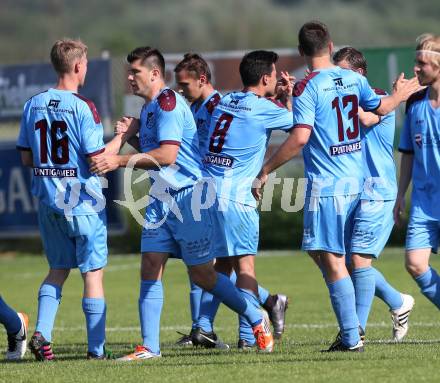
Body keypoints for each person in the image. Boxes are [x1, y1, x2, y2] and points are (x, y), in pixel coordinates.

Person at [90, 46, 273, 360]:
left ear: (155, 73)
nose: (130, 78)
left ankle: (256, 316)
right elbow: (155, 151)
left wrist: (118, 161)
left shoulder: (169, 104)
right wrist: (132, 135)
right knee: (149, 266)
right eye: (129, 72)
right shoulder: (149, 109)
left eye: (135, 72)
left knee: (203, 275)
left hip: (189, 199)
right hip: (161, 199)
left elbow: (168, 156)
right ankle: (150, 347)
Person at [253, 21, 420, 352]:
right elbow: (378, 108)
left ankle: (350, 336)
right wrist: (399, 95)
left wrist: (265, 170)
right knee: (328, 255)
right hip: (355, 182)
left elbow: (300, 137)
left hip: (328, 185)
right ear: (330, 46)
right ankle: (364, 324)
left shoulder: (309, 86)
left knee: (333, 260)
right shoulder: (354, 80)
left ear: (301, 52)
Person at [173, 53, 289, 347]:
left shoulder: (225, 100)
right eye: (274, 75)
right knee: (245, 269)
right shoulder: (261, 107)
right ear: (266, 78)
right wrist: (286, 99)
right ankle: (250, 335)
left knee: (221, 267)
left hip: (207, 192)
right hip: (237, 195)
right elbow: (299, 128)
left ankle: (203, 326)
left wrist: (273, 98)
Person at [16, 39, 109, 360]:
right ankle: (97, 350)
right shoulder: (84, 106)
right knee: (92, 273)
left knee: (57, 270)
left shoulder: (32, 104)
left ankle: (42, 333)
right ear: (79, 66)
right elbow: (97, 159)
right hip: (82, 202)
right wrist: (123, 140)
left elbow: (27, 158)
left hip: (48, 202)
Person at [333, 47, 415, 342]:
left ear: (360, 74)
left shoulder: (379, 97)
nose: (337, 79)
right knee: (346, 263)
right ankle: (398, 302)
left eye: (342, 73)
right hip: (349, 190)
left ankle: (356, 333)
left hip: (377, 189)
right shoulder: (338, 100)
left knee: (358, 261)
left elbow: (367, 119)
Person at [394, 33, 440, 313]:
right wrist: (401, 194)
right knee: (415, 263)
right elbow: (408, 154)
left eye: (422, 63)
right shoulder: (414, 103)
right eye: (416, 62)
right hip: (424, 202)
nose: (415, 68)